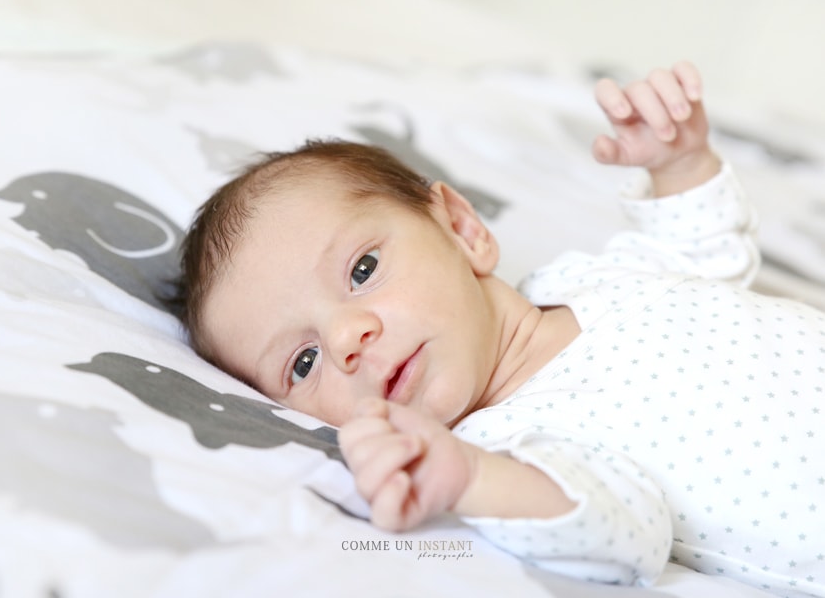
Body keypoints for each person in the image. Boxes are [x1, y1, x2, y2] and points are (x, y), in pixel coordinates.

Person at [174, 62, 825, 597]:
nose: (345, 340)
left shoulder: (591, 279)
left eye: (363, 268)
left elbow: (706, 257)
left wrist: (679, 165)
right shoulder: (511, 447)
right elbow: (627, 533)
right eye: (304, 362)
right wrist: (465, 479)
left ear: (461, 228)